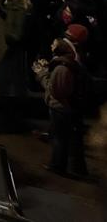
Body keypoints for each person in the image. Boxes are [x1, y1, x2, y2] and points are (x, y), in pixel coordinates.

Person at [35, 39, 89, 178]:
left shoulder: (62, 68)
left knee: (59, 139)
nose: (51, 45)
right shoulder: (65, 64)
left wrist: (41, 74)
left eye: (53, 44)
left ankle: (57, 166)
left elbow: (55, 91)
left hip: (60, 108)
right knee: (62, 138)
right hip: (65, 108)